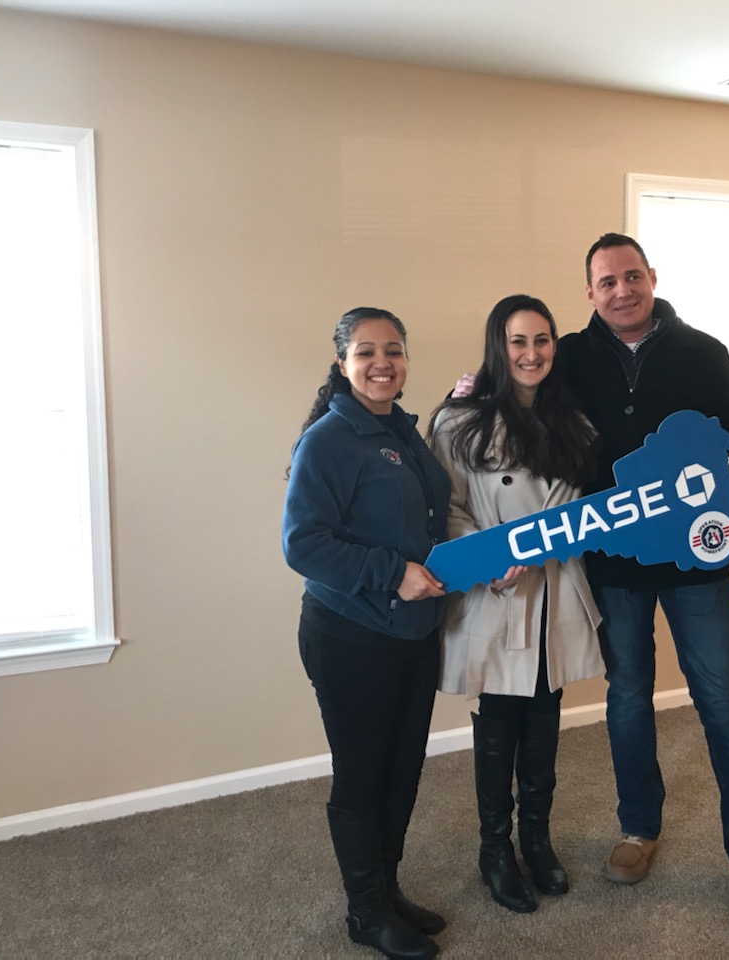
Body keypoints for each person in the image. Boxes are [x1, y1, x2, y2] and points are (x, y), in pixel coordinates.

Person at [452, 234, 729, 926]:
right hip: (614, 564)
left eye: (631, 276)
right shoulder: (569, 356)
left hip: (696, 560)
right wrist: (464, 393)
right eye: (606, 282)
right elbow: (515, 390)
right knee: (628, 697)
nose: (621, 290)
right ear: (590, 293)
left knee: (722, 701)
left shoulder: (703, 352)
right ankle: (638, 828)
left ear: (651, 278)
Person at [428, 295, 605, 915]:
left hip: (555, 589)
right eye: (518, 341)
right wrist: (488, 562)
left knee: (546, 715)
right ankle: (495, 849)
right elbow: (448, 508)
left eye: (542, 340)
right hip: (497, 592)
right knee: (500, 717)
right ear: (497, 348)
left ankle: (537, 838)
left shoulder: (575, 424)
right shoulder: (458, 423)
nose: (531, 354)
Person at [283, 307, 450, 959]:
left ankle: (386, 890)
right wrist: (392, 573)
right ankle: (365, 912)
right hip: (351, 635)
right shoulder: (329, 439)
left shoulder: (402, 430)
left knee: (402, 770)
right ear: (342, 363)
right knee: (362, 775)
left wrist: (478, 565)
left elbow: (426, 527)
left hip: (414, 632)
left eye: (394, 350)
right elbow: (302, 544)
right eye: (366, 352)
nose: (383, 362)